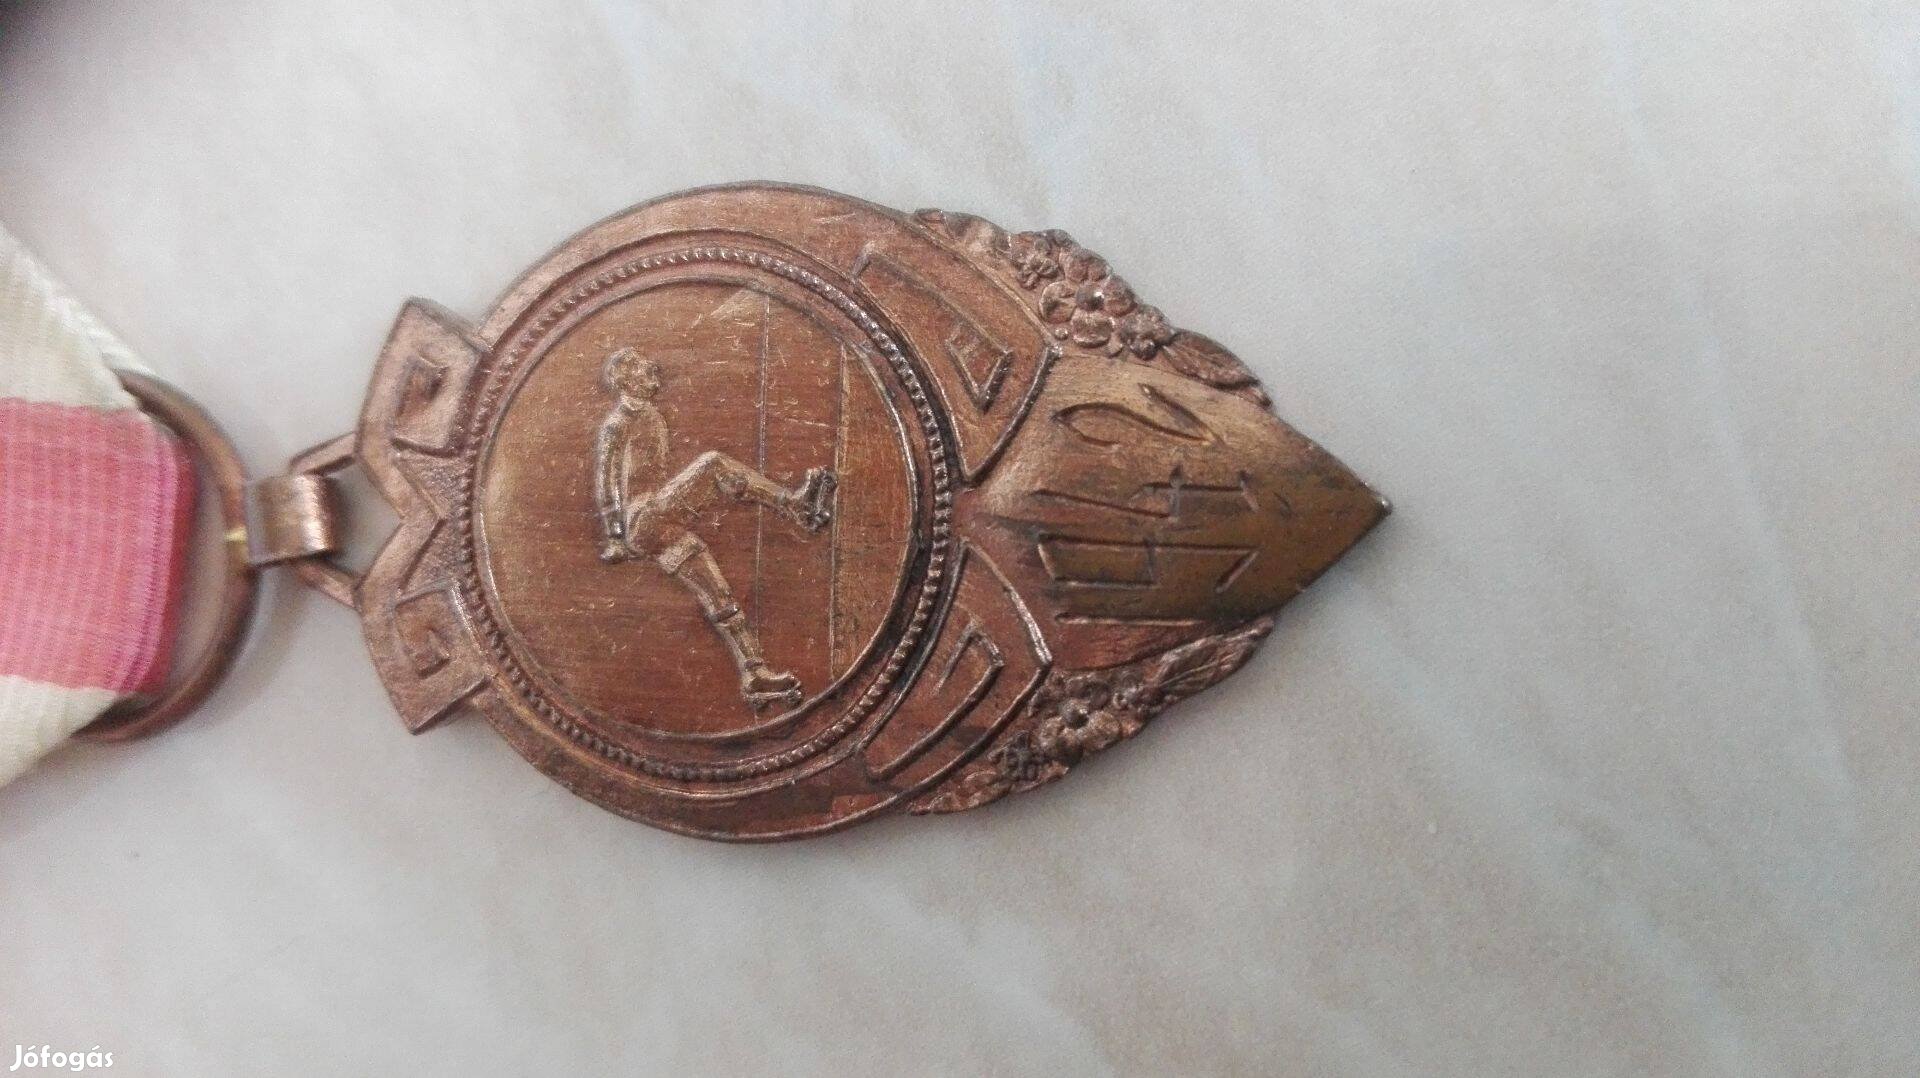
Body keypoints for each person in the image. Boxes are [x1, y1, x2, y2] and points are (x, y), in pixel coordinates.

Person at [593, 347, 836, 713]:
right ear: (627, 380)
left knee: (717, 591)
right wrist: (614, 536)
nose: (652, 370)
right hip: (641, 519)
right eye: (642, 369)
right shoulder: (617, 424)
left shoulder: (651, 415)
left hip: (662, 522)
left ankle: (754, 673)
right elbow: (606, 479)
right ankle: (795, 506)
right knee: (713, 465)